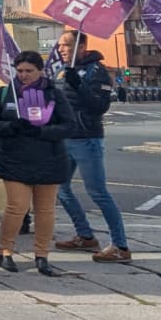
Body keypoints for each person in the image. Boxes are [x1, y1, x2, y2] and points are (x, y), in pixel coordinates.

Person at [0, 50, 75, 276]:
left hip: (49, 158)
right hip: (15, 158)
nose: (23, 75)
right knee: (17, 207)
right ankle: (6, 251)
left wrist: (42, 131)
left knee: (45, 210)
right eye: (20, 70)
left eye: (29, 71)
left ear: (40, 71)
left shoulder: (53, 93)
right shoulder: (5, 93)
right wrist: (8, 127)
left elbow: (69, 125)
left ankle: (42, 256)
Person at [51, 32, 129, 262]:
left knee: (97, 192)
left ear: (81, 46)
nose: (61, 49)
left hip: (87, 138)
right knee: (61, 189)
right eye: (60, 46)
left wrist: (78, 84)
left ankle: (120, 245)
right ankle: (85, 234)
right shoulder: (61, 69)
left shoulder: (98, 71)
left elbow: (99, 106)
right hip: (65, 138)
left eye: (66, 45)